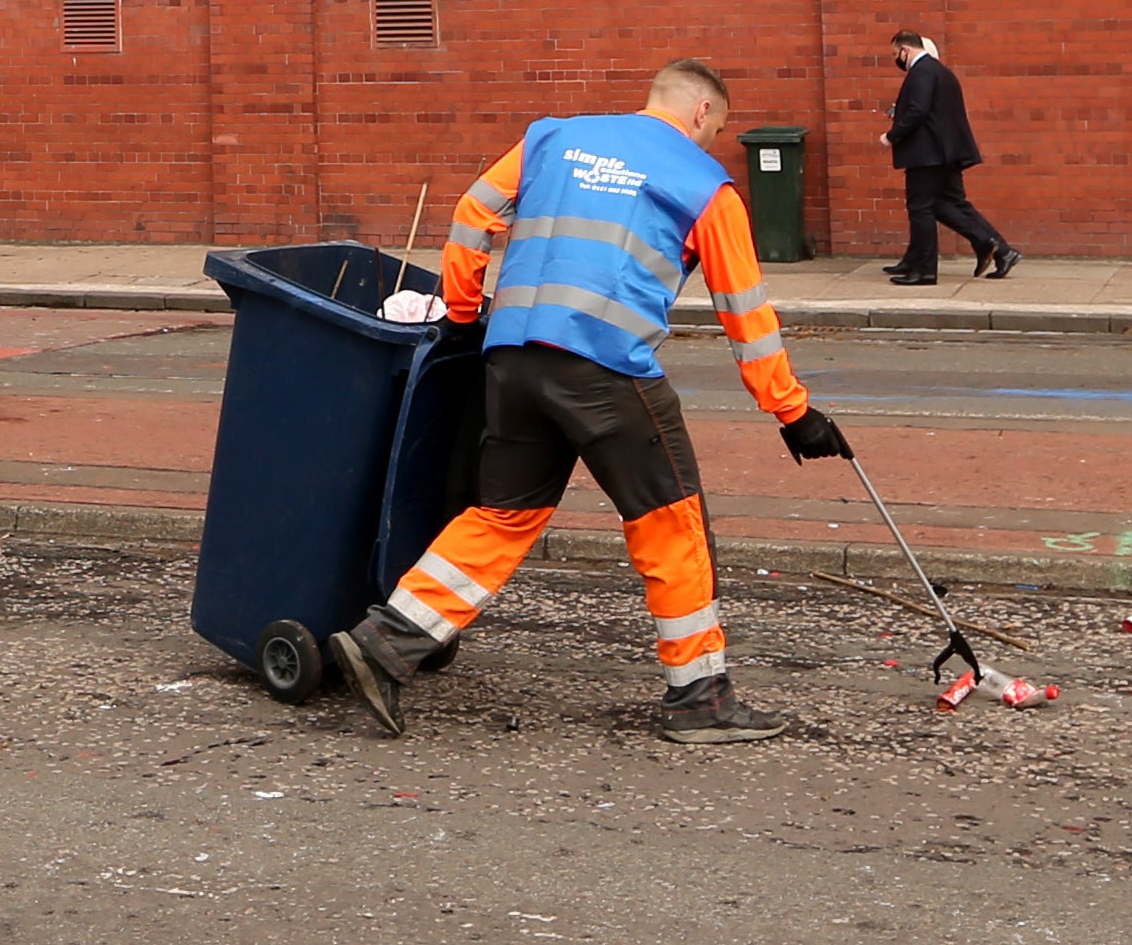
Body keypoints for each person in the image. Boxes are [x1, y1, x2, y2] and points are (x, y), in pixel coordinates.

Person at [336, 60, 854, 747]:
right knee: (671, 520)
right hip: (606, 367)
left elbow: (471, 216)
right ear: (701, 115)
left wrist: (463, 318)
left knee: (503, 514)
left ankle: (387, 640)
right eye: (719, 130)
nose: (713, 143)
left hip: (512, 356)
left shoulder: (553, 138)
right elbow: (745, 313)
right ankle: (699, 697)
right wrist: (793, 412)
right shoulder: (706, 186)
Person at [882, 29, 1014, 285]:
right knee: (949, 204)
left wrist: (892, 135)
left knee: (921, 209)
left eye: (896, 54)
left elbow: (918, 111)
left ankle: (924, 270)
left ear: (905, 50)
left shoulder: (921, 73)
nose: (897, 59)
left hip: (928, 154)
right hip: (947, 152)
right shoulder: (941, 73)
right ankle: (1000, 249)